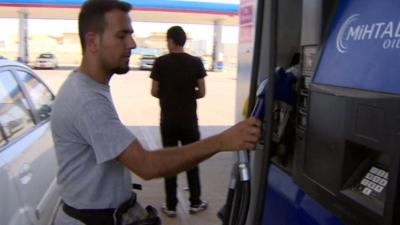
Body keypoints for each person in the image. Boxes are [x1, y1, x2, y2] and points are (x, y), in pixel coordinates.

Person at [51, 1, 261, 225]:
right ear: (92, 41)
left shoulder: (90, 88)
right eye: (122, 36)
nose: (132, 44)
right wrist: (223, 140)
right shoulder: (86, 99)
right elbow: (146, 165)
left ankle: (173, 204)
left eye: (130, 35)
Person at [150, 26, 208, 217]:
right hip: (190, 121)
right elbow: (202, 91)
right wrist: (188, 96)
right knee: (192, 160)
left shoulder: (160, 62)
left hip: (168, 121)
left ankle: (171, 206)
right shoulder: (196, 62)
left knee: (170, 162)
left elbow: (154, 91)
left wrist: (167, 95)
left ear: (171, 41)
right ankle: (195, 203)